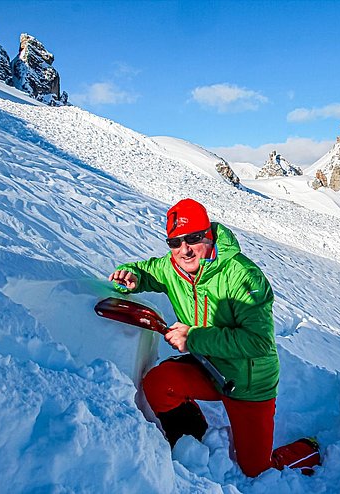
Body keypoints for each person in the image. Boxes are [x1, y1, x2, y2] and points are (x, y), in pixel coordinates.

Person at [108, 198, 282, 477]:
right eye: (175, 242)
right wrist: (132, 276)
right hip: (209, 367)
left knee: (257, 470)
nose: (184, 249)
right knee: (158, 384)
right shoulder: (171, 268)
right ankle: (195, 441)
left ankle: (306, 451)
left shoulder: (242, 276)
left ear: (209, 236)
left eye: (193, 238)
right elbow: (145, 272)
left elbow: (258, 342)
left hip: (248, 382)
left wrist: (194, 339)